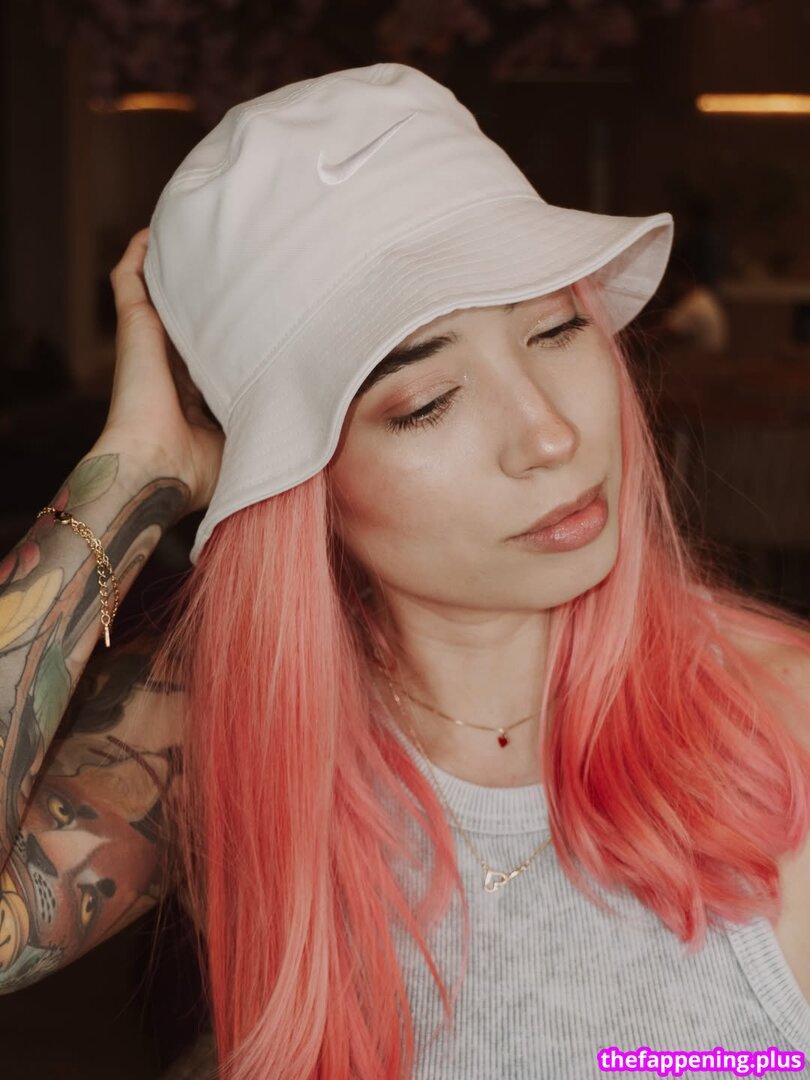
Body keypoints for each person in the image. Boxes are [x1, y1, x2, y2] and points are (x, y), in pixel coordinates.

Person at [1, 63, 810, 1080]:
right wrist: (130, 478)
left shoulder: (781, 728)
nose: (549, 436)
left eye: (557, 329)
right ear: (301, 479)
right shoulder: (230, 732)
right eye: (428, 402)